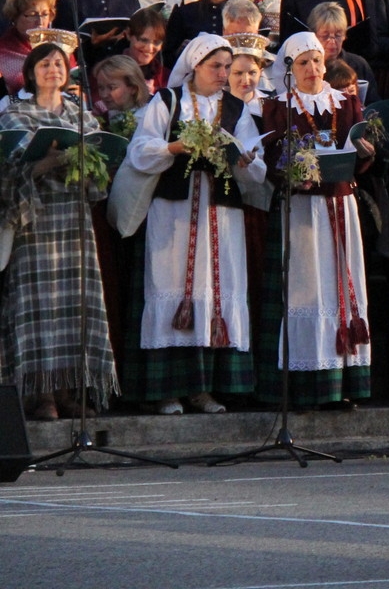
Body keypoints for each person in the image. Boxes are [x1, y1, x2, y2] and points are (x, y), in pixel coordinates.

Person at [124, 33, 266, 414]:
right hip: (173, 211)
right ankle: (168, 389)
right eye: (216, 66)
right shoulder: (168, 101)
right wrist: (174, 148)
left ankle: (203, 388)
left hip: (220, 213)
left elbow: (258, 166)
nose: (223, 74)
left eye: (226, 67)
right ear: (195, 67)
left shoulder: (237, 110)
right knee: (171, 285)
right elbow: (139, 150)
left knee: (213, 289)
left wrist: (245, 161)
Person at [0, 42, 117, 419]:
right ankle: (41, 395)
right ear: (31, 72)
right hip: (33, 221)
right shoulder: (15, 115)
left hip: (74, 219)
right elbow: (9, 173)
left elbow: (100, 171)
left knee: (74, 305)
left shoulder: (81, 117)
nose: (53, 68)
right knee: (38, 307)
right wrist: (50, 160)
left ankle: (68, 390)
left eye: (59, 63)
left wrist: (90, 160)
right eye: (45, 63)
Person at [261, 32, 374, 406]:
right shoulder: (277, 107)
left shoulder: (345, 102)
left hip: (341, 206)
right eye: (303, 63)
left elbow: (358, 155)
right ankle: (306, 384)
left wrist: (364, 153)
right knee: (306, 287)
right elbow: (271, 159)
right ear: (290, 69)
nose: (312, 69)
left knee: (343, 286)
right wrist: (292, 172)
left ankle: (341, 384)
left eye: (316, 61)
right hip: (303, 211)